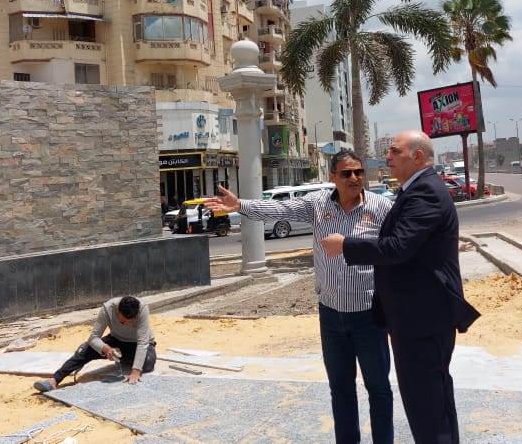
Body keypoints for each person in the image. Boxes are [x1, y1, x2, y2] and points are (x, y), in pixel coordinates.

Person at [205, 150, 394, 444]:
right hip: (331, 316)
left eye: (358, 172)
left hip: (369, 315)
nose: (354, 178)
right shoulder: (317, 204)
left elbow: (397, 247)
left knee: (379, 388)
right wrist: (240, 205)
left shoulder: (381, 207)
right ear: (333, 177)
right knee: (340, 389)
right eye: (346, 173)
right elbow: (279, 209)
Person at [322, 130, 480, 444]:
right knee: (431, 405)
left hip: (422, 319)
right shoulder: (416, 190)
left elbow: (398, 247)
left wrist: (346, 245)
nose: (388, 157)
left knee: (428, 408)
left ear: (417, 156)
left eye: (395, 151)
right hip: (415, 318)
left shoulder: (426, 192)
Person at [34, 296, 156, 392]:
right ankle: (54, 380)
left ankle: (125, 359)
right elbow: (93, 338)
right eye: (123, 321)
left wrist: (136, 371)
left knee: (148, 364)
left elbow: (142, 342)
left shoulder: (142, 309)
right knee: (85, 350)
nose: (128, 324)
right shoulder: (107, 309)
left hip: (138, 343)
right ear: (117, 311)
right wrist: (105, 348)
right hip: (116, 340)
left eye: (131, 321)